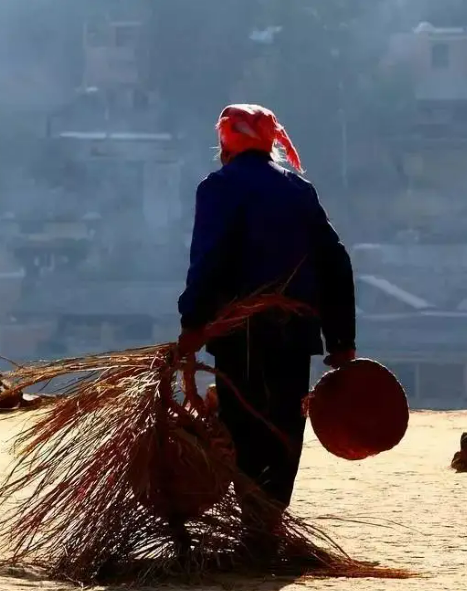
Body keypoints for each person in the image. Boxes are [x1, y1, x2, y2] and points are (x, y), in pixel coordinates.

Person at [176, 103, 357, 556]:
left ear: (227, 143)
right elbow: (336, 261)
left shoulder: (218, 187)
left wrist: (192, 324)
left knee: (243, 424)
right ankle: (267, 525)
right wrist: (341, 340)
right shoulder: (299, 189)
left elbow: (208, 261)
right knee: (283, 427)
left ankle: (255, 528)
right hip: (296, 334)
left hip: (241, 334)